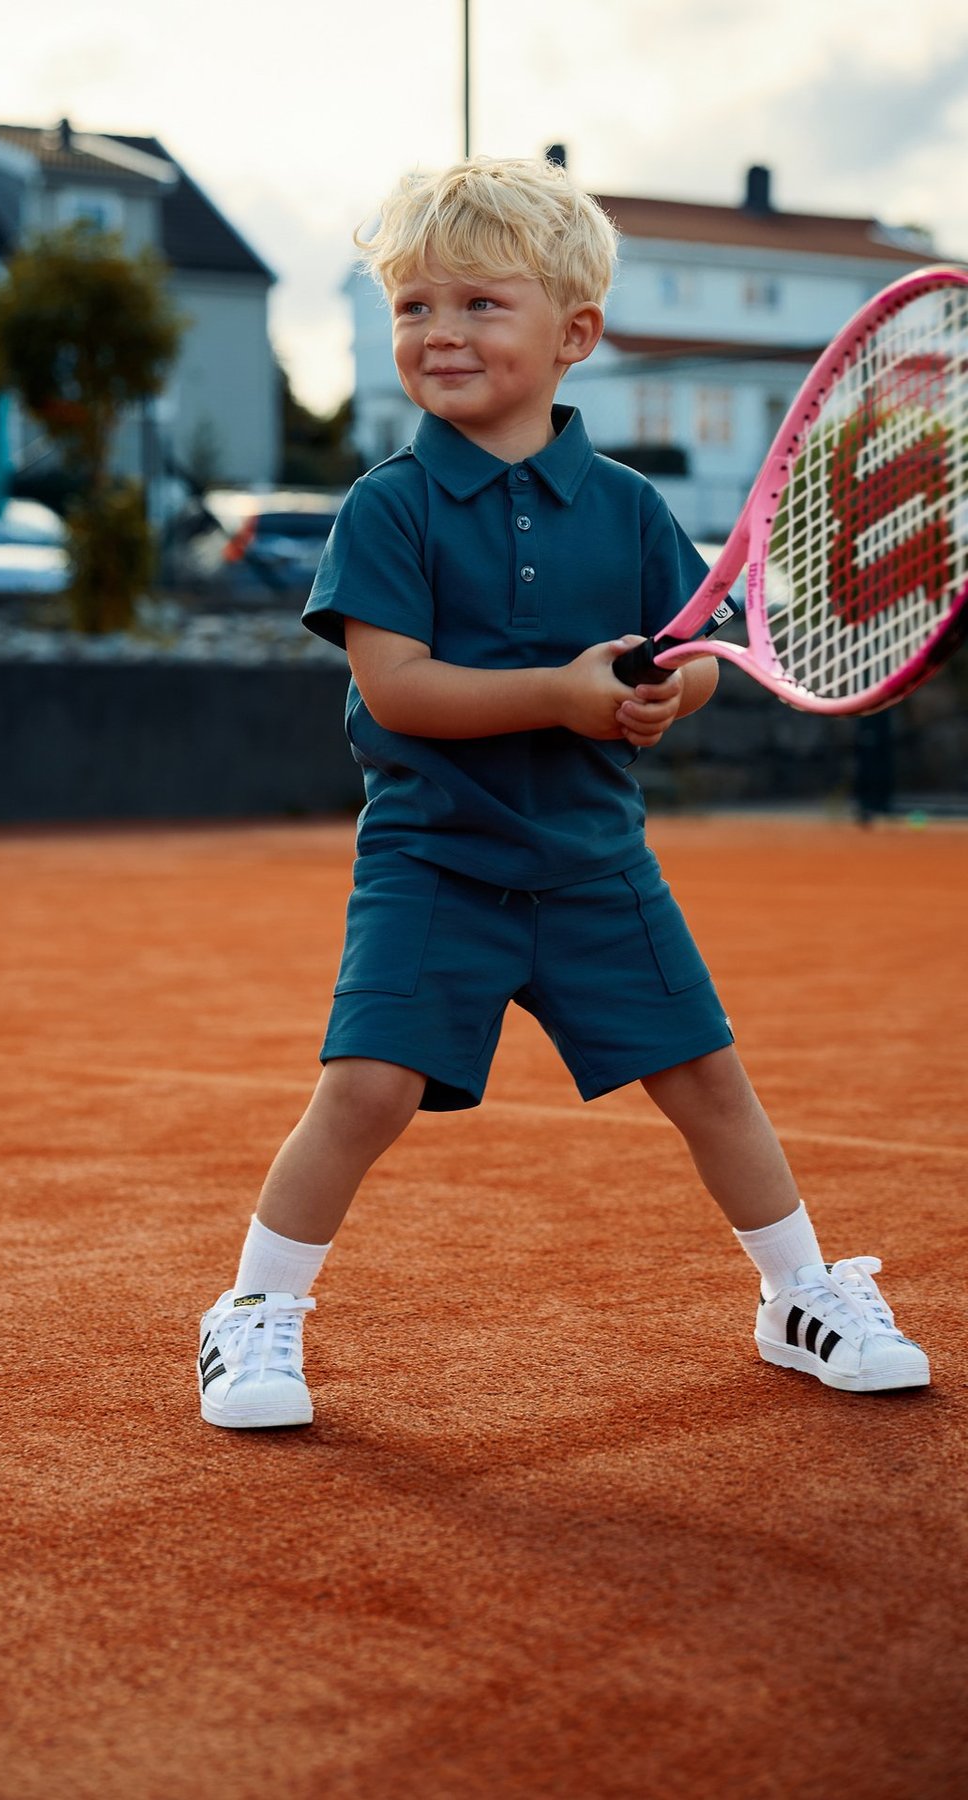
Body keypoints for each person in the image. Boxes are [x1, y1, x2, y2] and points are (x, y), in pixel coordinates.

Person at [197, 156, 929, 1428]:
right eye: (415, 307)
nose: (441, 332)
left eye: (481, 304)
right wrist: (565, 693)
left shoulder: (635, 509)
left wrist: (659, 699)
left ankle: (799, 1295)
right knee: (365, 1091)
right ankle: (250, 1316)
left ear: (574, 334)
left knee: (708, 1081)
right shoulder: (388, 506)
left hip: (597, 863)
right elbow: (401, 690)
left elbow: (690, 663)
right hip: (434, 862)